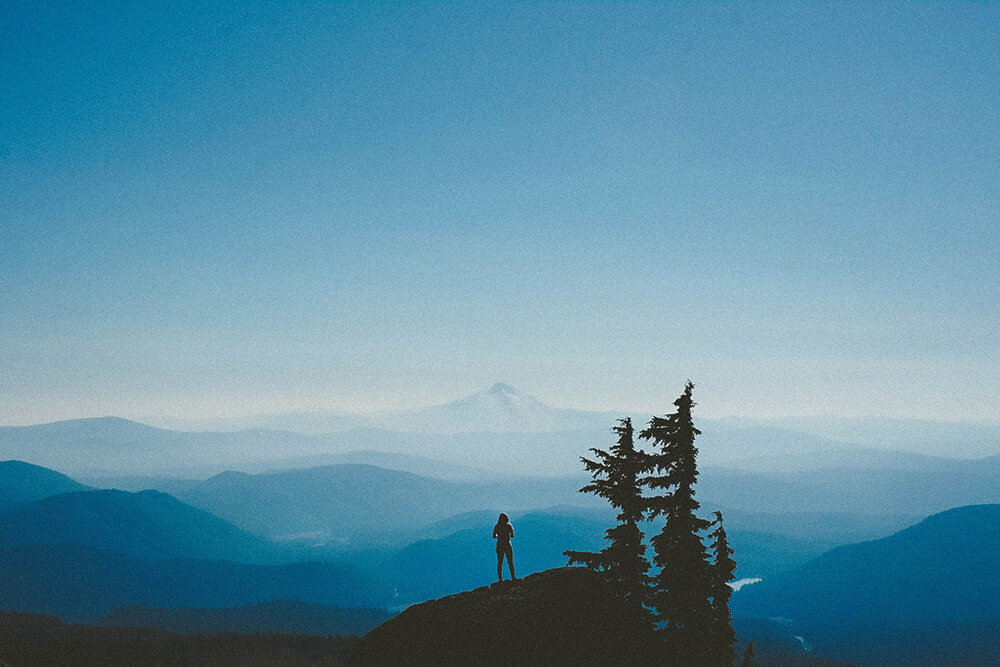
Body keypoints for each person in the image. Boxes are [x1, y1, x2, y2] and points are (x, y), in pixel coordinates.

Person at [492, 512, 516, 582]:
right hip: (507, 545)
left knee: (500, 562)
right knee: (510, 562)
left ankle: (500, 579)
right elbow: (512, 536)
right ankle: (513, 577)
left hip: (499, 545)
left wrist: (499, 536)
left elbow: (493, 536)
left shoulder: (497, 526)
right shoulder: (509, 526)